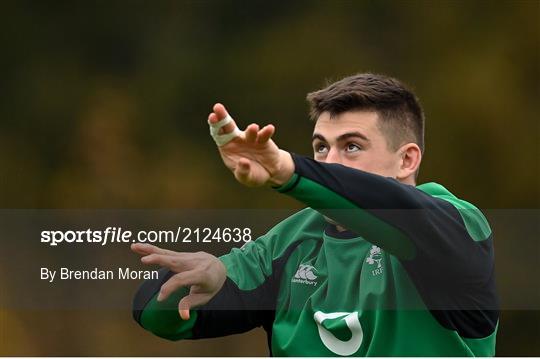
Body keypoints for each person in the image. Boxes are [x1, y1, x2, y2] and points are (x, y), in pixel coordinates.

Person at [131, 73, 499, 356]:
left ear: (407, 160)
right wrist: (206, 279)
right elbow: (154, 314)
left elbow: (399, 209)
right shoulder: (291, 242)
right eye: (321, 148)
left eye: (351, 146)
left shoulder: (452, 223)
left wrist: (289, 171)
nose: (331, 161)